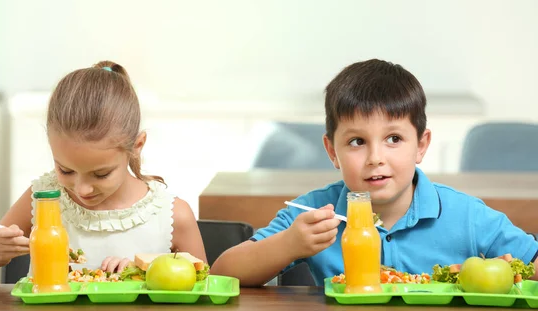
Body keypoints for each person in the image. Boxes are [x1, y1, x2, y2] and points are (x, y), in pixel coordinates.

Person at [211, 58, 538, 286]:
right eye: (357, 142)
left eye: (393, 139)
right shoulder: (315, 212)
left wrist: (509, 271)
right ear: (331, 151)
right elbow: (224, 272)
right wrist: (289, 244)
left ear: (421, 145)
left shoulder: (467, 216)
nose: (375, 158)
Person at [0, 60, 206, 285]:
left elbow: (207, 296)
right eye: (65, 169)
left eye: (101, 174)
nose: (81, 189)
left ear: (136, 147)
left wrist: (145, 276)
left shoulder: (171, 215)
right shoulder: (44, 200)